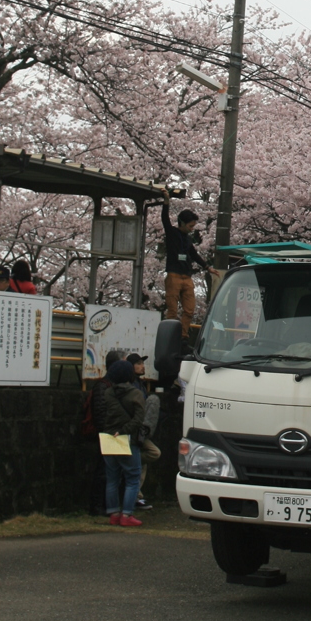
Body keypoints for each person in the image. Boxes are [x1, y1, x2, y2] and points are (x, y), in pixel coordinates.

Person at [94, 360, 148, 527]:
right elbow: (139, 419)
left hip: (109, 439)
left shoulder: (108, 393)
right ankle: (127, 514)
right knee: (132, 478)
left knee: (112, 479)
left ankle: (114, 513)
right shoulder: (136, 394)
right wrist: (125, 430)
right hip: (127, 439)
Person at [161, 201, 203, 344]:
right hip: (174, 275)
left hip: (187, 277)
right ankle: (170, 338)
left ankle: (183, 336)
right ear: (182, 223)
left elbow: (194, 254)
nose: (192, 229)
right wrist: (166, 203)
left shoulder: (188, 239)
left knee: (189, 310)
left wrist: (207, 267)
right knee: (172, 310)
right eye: (190, 226)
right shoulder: (172, 233)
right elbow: (165, 219)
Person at [127, 352, 160, 511]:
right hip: (134, 429)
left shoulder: (140, 384)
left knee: (146, 458)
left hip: (140, 431)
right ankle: (135, 497)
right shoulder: (129, 385)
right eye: (139, 363)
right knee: (152, 454)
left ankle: (137, 496)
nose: (142, 366)